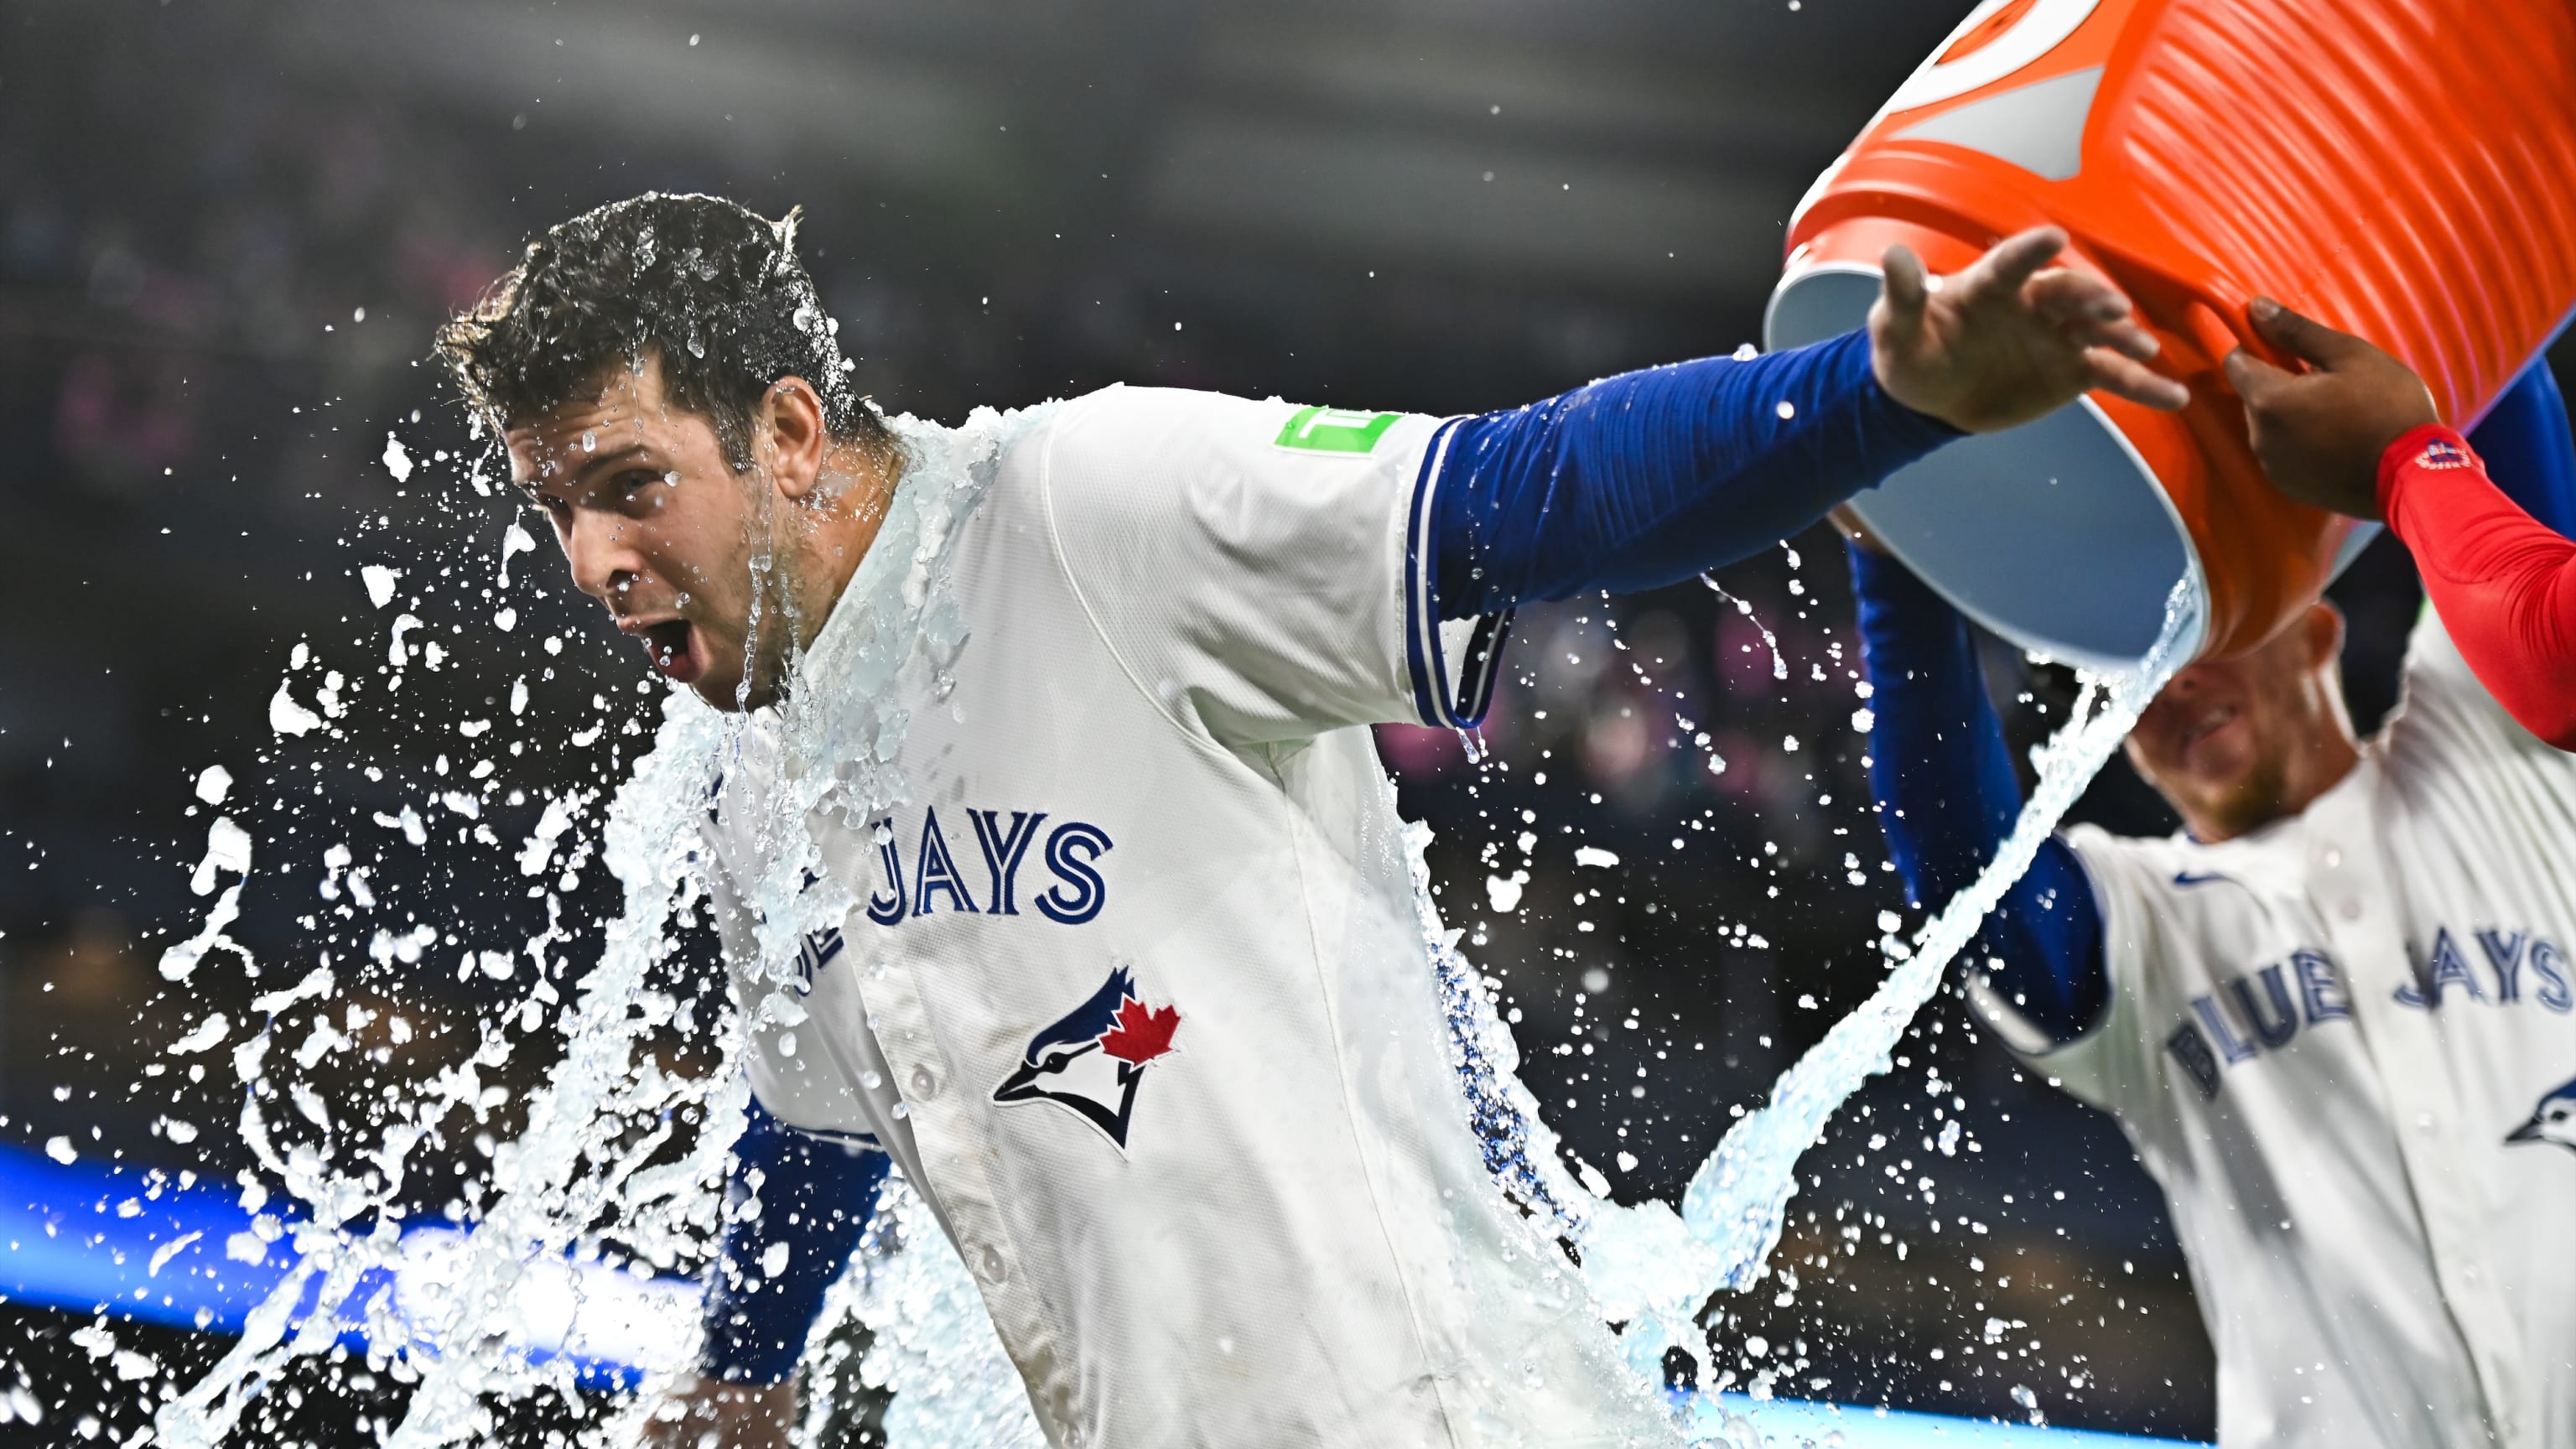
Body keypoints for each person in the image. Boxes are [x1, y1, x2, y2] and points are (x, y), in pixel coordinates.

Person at [433, 191, 2183, 1449]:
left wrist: (1887, 402)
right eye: (554, 509)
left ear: (794, 432)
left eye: (629, 486)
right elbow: (814, 1103)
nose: (591, 564)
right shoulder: (763, 764)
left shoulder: (1095, 508)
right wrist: (739, 1379)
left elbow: (1525, 491)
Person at [1843, 344, 2576, 1448]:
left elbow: (2510, 407)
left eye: (2207, 624)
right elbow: (1970, 877)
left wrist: (2407, 276)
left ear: (2319, 628)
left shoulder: (2492, 757)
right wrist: (1903, 558)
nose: (2173, 680)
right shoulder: (2148, 913)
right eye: (2134, 665)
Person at [2225, 299, 2576, 749]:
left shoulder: (2479, 725)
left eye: (2211, 648)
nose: (2181, 686)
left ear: (2314, 633)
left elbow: (2557, 662)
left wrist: (2406, 459)